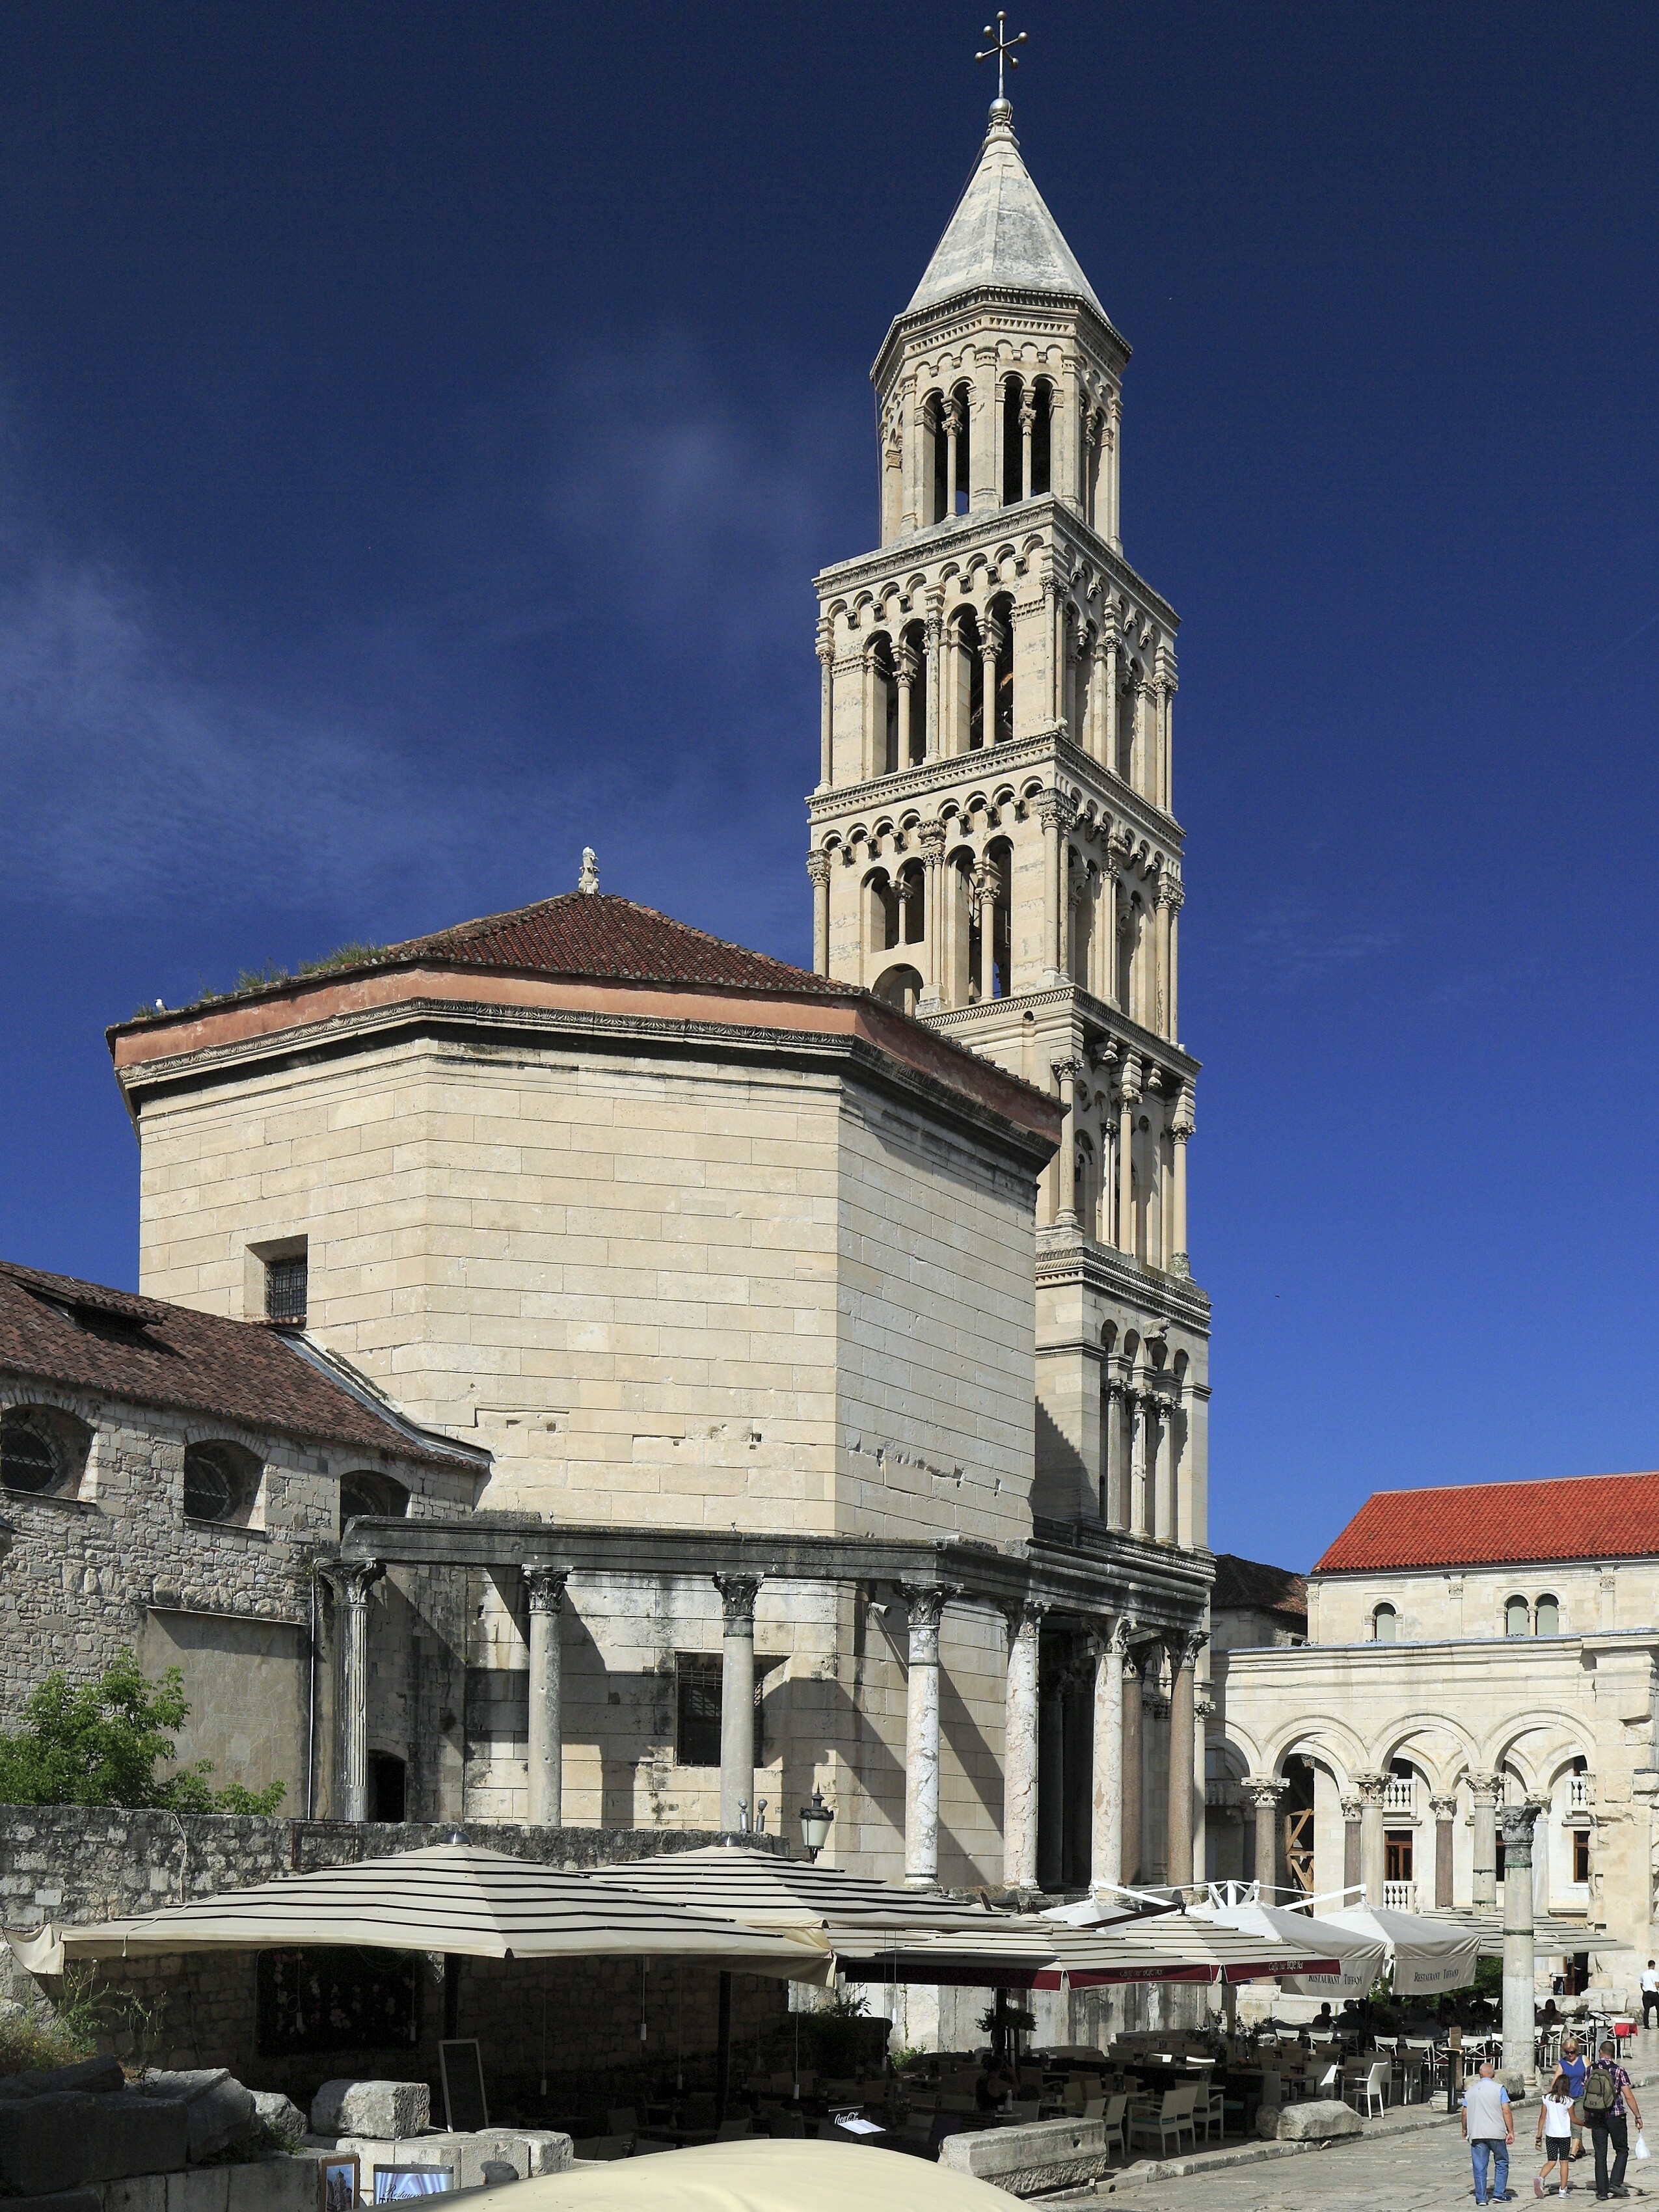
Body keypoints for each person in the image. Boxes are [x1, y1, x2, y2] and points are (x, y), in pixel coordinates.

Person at [1584, 2036, 1643, 2200]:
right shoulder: (1619, 2071)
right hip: (1616, 2115)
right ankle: (1616, 2183)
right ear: (1613, 2054)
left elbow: (1586, 2094)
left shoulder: (1590, 2070)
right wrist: (1637, 2116)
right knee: (1622, 2150)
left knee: (1600, 2153)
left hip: (1597, 2116)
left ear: (1600, 2052)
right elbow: (1628, 2096)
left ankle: (1602, 2192)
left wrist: (1587, 2117)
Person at [1463, 2057, 1516, 2207]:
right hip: (1496, 2132)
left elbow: (1465, 2113)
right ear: (1493, 2074)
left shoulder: (1471, 2091)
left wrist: (1465, 2129)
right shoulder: (1499, 2089)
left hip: (1477, 2133)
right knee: (1501, 2161)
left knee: (1480, 2166)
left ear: (1480, 2074)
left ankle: (1481, 2198)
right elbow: (1506, 2110)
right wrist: (1510, 2131)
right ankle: (1499, 2193)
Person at [1536, 2071, 1576, 2198]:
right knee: (1564, 2162)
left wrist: (1539, 2134)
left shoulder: (1547, 2098)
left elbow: (1542, 2117)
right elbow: (1573, 2119)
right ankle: (1563, 2191)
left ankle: (1541, 2179)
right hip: (1564, 2136)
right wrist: (1586, 2123)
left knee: (1551, 2161)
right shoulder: (1569, 2101)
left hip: (1550, 2135)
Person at [1559, 2036, 1589, 2165]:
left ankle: (1573, 2153)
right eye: (1567, 2052)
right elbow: (1556, 2080)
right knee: (1571, 2126)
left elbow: (1591, 2075)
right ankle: (1580, 2148)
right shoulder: (1562, 2063)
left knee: (1577, 2124)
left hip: (1582, 2096)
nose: (1570, 2055)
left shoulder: (1583, 2059)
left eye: (1572, 2052)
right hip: (1568, 2098)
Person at [1641, 1960, 1659, 2031]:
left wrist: (1644, 1990)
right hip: (1654, 1993)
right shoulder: (1655, 1974)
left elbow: (1641, 1984)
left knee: (1646, 2010)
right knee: (1658, 2009)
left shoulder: (1643, 1974)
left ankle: (1646, 2026)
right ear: (1654, 1965)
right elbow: (1657, 1985)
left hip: (1646, 1993)